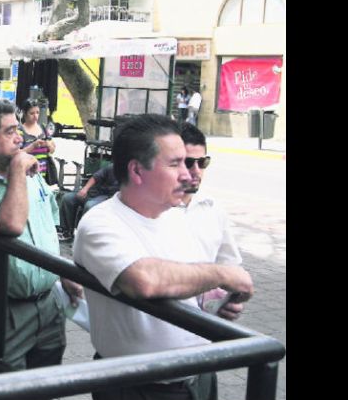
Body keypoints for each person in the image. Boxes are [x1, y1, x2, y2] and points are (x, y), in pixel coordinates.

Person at [72, 114, 254, 400]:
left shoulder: (174, 216)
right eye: (175, 163)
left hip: (198, 373)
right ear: (137, 171)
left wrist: (215, 303)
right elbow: (144, 280)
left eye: (191, 162)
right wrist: (223, 275)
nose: (187, 174)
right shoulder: (101, 223)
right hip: (140, 386)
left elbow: (185, 278)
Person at [0, 97, 83, 371]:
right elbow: (11, 225)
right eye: (9, 131)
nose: (19, 138)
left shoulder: (29, 173)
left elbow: (48, 230)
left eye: (17, 130)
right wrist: (17, 171)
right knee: (4, 384)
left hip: (49, 303)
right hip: (4, 310)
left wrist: (62, 272)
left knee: (46, 380)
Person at [177, 123, 243, 279]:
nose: (196, 171)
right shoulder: (154, 208)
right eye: (188, 163)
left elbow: (230, 263)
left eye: (202, 163)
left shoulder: (212, 208)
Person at [58, 163, 119, 240]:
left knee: (89, 206)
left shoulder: (131, 174)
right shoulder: (112, 167)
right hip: (94, 192)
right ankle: (67, 232)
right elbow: (95, 177)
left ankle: (83, 235)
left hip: (108, 197)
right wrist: (85, 189)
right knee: (68, 198)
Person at [17, 99, 57, 184]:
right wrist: (32, 146)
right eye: (32, 113)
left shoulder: (43, 128)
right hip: (27, 176)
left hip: (43, 176)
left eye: (37, 113)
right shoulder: (20, 131)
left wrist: (50, 146)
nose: (35, 116)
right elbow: (16, 154)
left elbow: (52, 150)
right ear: (24, 113)